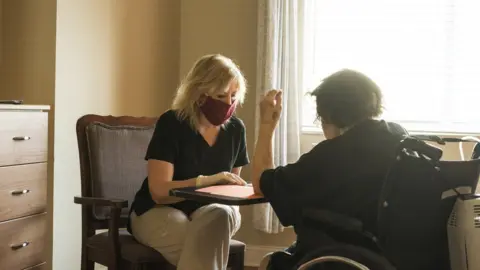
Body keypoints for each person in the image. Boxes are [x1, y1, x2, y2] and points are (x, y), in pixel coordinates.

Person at [252, 69, 407, 269]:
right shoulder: (399, 136)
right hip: (392, 256)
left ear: (329, 116)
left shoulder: (330, 155)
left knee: (272, 262)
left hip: (346, 256)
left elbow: (260, 182)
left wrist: (266, 125)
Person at [128, 54, 250, 270]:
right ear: (199, 93)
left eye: (233, 96)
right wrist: (206, 181)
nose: (228, 104)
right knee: (203, 242)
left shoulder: (236, 130)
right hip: (157, 210)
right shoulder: (172, 123)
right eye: (221, 95)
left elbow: (229, 193)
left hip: (212, 212)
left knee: (220, 215)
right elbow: (158, 192)